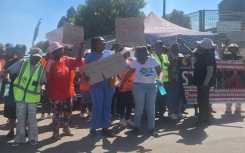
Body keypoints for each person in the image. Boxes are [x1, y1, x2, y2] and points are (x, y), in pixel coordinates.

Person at [4, 47, 46, 146]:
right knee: (21, 118)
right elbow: (9, 70)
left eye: (38, 58)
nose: (36, 59)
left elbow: (44, 80)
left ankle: (33, 138)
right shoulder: (22, 62)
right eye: (34, 57)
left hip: (32, 98)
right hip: (20, 96)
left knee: (32, 119)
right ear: (30, 55)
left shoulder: (41, 68)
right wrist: (7, 76)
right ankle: (19, 139)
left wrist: (43, 87)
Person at [120, 45, 164, 137]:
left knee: (151, 108)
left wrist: (160, 79)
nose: (140, 60)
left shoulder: (153, 60)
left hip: (152, 86)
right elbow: (129, 73)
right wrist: (122, 83)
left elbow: (160, 71)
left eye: (142, 58)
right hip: (138, 86)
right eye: (138, 58)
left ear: (146, 55)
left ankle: (151, 128)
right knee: (139, 107)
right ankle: (136, 127)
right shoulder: (135, 62)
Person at [46, 42, 83, 140]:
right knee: (57, 114)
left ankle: (66, 128)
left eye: (62, 48)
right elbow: (46, 80)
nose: (62, 50)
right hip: (55, 95)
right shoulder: (50, 63)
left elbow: (77, 61)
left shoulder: (66, 59)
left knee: (67, 112)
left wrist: (79, 50)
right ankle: (55, 131)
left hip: (67, 93)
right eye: (59, 49)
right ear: (54, 52)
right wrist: (47, 94)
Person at [85, 37, 115, 138]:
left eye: (104, 41)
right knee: (97, 106)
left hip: (108, 85)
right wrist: (88, 76)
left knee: (107, 106)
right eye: (101, 42)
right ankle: (93, 128)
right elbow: (85, 72)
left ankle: (105, 128)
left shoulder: (109, 54)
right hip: (95, 86)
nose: (104, 43)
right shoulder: (90, 57)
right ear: (96, 45)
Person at [3, 44, 26, 138]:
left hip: (24, 91)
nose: (19, 54)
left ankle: (24, 129)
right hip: (11, 91)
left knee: (24, 112)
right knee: (11, 112)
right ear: (15, 53)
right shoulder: (9, 62)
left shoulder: (28, 62)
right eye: (17, 52)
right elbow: (2, 74)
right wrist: (6, 77)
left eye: (21, 52)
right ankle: (12, 130)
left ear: (24, 53)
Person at [192, 38, 217, 127]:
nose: (198, 47)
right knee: (205, 100)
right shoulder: (202, 54)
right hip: (202, 81)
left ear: (204, 47)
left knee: (201, 100)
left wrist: (205, 83)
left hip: (204, 82)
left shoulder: (208, 56)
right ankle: (207, 119)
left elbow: (210, 71)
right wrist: (182, 44)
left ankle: (201, 120)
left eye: (200, 45)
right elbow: (192, 53)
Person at [221, 39, 245, 113]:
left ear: (236, 49)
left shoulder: (241, 57)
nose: (231, 49)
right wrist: (226, 44)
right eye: (230, 48)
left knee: (239, 92)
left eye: (233, 48)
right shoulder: (228, 56)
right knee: (229, 91)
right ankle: (228, 107)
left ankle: (238, 107)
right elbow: (222, 53)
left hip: (239, 77)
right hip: (229, 77)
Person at [151, 40, 170, 120]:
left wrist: (170, 82)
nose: (159, 47)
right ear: (155, 47)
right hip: (155, 82)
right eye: (158, 45)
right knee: (154, 100)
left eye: (161, 45)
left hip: (163, 83)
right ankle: (153, 115)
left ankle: (161, 115)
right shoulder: (151, 56)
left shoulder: (165, 56)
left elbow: (168, 69)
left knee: (162, 99)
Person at [167, 43, 185, 119]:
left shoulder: (181, 55)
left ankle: (178, 112)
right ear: (171, 48)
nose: (176, 48)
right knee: (173, 96)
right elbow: (168, 68)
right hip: (173, 79)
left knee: (180, 97)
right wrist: (170, 81)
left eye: (177, 47)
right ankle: (171, 112)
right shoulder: (169, 56)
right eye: (174, 47)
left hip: (182, 79)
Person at [118, 47, 135, 127]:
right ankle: (121, 119)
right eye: (128, 52)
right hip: (123, 86)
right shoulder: (119, 62)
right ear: (124, 53)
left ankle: (127, 118)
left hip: (131, 86)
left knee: (130, 103)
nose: (129, 53)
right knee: (123, 103)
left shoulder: (130, 61)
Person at [79, 49, 93, 118]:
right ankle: (82, 113)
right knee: (84, 101)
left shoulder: (93, 63)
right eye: (87, 54)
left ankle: (90, 112)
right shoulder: (82, 63)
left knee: (91, 101)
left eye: (90, 54)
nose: (89, 55)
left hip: (92, 85)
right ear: (85, 55)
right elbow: (78, 73)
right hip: (84, 86)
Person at [39, 47, 52, 119]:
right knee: (44, 99)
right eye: (50, 53)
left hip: (51, 83)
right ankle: (42, 114)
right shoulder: (41, 61)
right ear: (47, 54)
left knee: (50, 99)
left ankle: (49, 113)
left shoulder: (53, 61)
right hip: (44, 83)